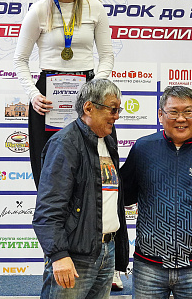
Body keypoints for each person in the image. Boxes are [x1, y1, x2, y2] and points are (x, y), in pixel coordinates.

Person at [120, 85, 192, 299]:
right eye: (173, 112)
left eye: (188, 112)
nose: (181, 119)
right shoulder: (142, 148)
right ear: (160, 115)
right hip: (148, 267)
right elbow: (123, 195)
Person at [13, 0, 114, 189]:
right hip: (48, 99)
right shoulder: (39, 10)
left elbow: (107, 56)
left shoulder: (95, 8)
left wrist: (95, 88)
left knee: (93, 167)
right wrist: (34, 95)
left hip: (89, 96)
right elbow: (20, 60)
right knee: (49, 168)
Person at [32, 79, 129, 299]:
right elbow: (48, 208)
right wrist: (58, 255)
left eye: (118, 110)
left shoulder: (108, 141)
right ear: (88, 108)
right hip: (74, 257)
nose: (116, 116)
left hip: (106, 251)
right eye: (113, 109)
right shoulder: (65, 143)